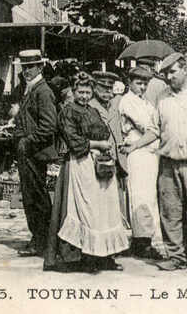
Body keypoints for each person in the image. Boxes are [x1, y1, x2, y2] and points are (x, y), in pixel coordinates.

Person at [129, 52, 187, 276]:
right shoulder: (162, 97)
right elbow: (154, 129)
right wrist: (135, 146)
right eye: (165, 73)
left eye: (172, 72)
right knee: (171, 214)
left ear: (185, 70)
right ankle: (176, 257)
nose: (168, 77)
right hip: (169, 165)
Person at [44, 72, 129, 273]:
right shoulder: (67, 111)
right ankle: (80, 257)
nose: (84, 95)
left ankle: (103, 256)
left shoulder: (92, 110)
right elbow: (73, 140)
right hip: (80, 164)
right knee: (84, 210)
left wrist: (104, 145)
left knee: (104, 211)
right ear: (74, 92)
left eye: (87, 91)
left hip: (99, 164)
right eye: (80, 92)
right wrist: (97, 143)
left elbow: (105, 131)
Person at [14, 49, 58, 257]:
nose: (26, 71)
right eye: (24, 67)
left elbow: (49, 126)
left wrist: (27, 140)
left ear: (40, 67)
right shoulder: (30, 88)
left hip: (35, 152)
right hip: (29, 151)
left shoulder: (42, 91)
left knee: (36, 197)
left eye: (30, 67)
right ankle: (40, 238)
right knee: (31, 196)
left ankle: (42, 241)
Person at [119, 67, 163, 258]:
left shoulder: (144, 101)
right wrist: (155, 127)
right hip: (137, 150)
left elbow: (156, 121)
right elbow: (147, 125)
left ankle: (146, 238)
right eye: (139, 83)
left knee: (149, 196)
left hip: (150, 151)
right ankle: (141, 240)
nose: (143, 87)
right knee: (141, 195)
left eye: (145, 83)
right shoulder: (127, 101)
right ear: (130, 82)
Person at [90, 71, 129, 227]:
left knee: (117, 199)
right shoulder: (90, 106)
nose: (107, 91)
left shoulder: (117, 105)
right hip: (98, 158)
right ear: (95, 87)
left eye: (109, 88)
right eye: (103, 87)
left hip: (117, 158)